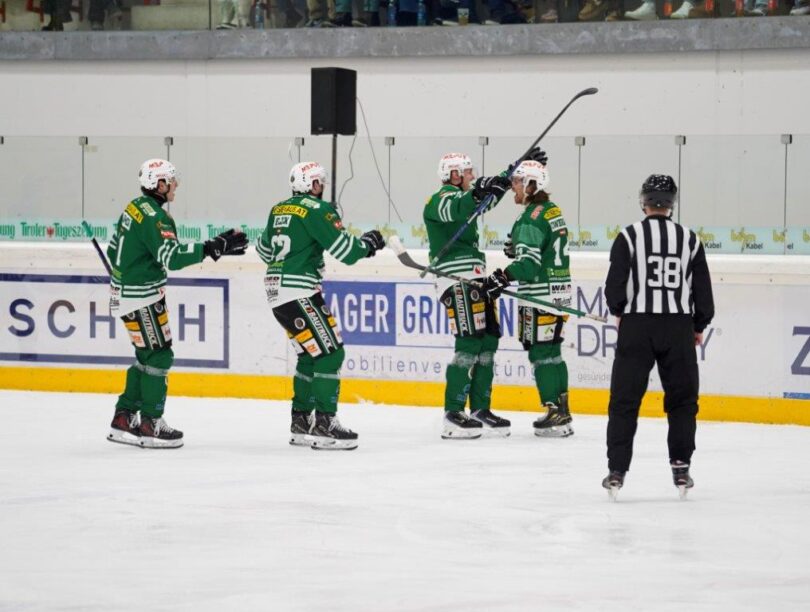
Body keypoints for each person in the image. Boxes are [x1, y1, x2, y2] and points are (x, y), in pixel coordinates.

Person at [106, 159, 249, 449]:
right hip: (142, 297)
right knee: (159, 356)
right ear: (158, 184)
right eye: (171, 181)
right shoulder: (157, 217)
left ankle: (124, 417)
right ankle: (151, 423)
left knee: (145, 356)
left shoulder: (134, 207)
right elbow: (171, 257)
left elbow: (112, 251)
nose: (175, 186)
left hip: (125, 294)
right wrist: (211, 248)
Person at [257, 161, 385, 450]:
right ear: (312, 184)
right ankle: (326, 424)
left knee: (309, 355)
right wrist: (368, 245)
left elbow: (265, 251)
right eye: (319, 182)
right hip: (299, 291)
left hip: (276, 292)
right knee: (330, 353)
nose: (322, 186)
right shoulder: (318, 209)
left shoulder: (278, 209)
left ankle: (301, 422)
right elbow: (346, 251)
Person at [601, 174, 715, 497]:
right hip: (678, 328)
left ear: (644, 201)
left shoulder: (628, 236)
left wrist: (620, 311)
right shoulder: (690, 240)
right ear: (671, 204)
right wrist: (698, 325)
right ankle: (681, 466)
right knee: (682, 400)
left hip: (637, 327)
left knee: (624, 400)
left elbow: (614, 286)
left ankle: (617, 470)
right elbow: (703, 292)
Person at [423, 153, 514, 439]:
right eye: (468, 172)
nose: (472, 176)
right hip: (456, 279)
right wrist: (478, 191)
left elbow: (486, 199)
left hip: (476, 278)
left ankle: (479, 409)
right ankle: (453, 413)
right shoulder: (440, 199)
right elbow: (457, 207)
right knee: (469, 343)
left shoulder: (467, 197)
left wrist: (510, 173)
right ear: (454, 174)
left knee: (488, 342)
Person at [482, 157, 575, 437]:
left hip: (539, 296)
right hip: (559, 294)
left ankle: (554, 411)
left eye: (517, 182)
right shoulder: (551, 210)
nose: (513, 187)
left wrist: (502, 277)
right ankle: (563, 410)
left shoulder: (529, 218)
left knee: (540, 353)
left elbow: (529, 265)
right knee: (553, 353)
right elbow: (542, 248)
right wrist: (518, 249)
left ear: (532, 184)